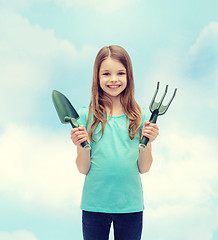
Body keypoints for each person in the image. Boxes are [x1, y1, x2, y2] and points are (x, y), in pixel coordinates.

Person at [70, 45, 159, 240]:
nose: (113, 79)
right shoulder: (85, 116)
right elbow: (83, 169)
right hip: (94, 205)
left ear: (129, 76)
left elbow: (144, 168)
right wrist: (80, 145)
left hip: (130, 206)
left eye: (120, 73)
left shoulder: (142, 116)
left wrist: (149, 140)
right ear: (97, 77)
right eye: (106, 74)